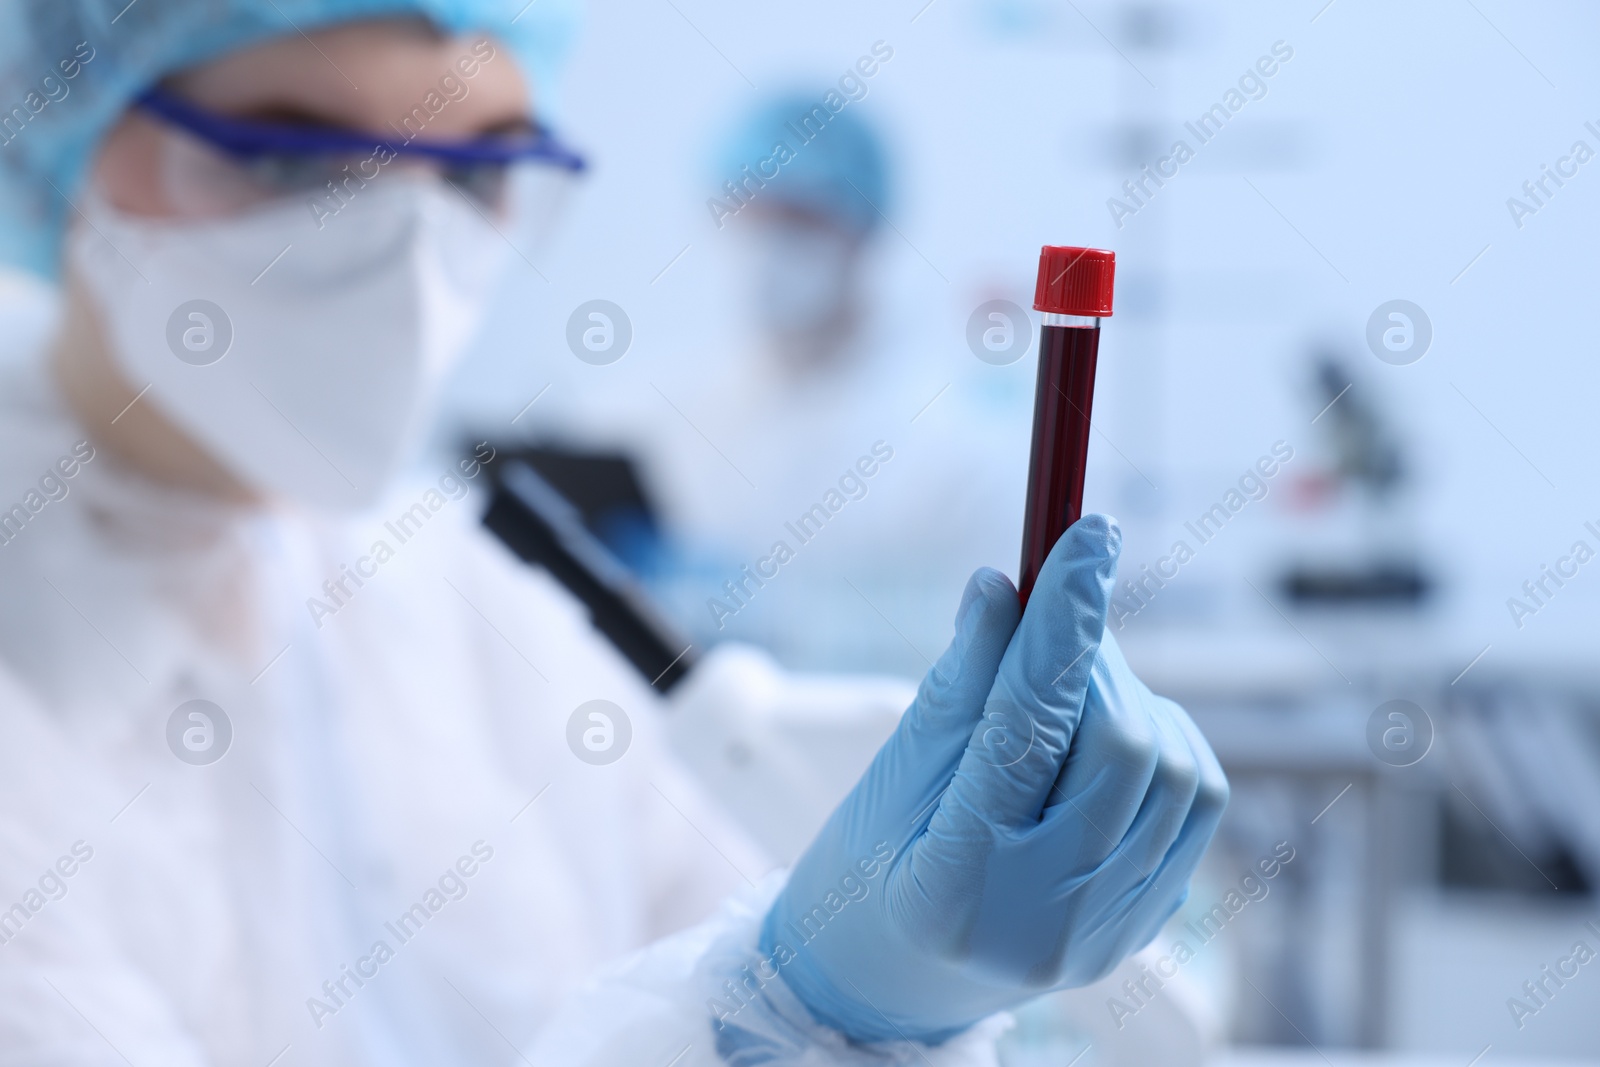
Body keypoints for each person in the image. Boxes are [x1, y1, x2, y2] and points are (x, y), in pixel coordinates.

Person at [0, 3, 1227, 1064]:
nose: (406, 241)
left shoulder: (457, 596)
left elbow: (695, 908)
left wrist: (865, 991)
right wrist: (788, 1017)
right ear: (61, 122)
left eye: (479, 169)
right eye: (298, 158)